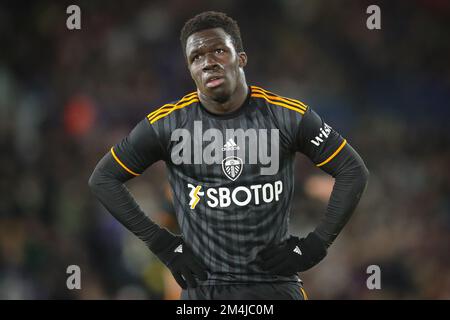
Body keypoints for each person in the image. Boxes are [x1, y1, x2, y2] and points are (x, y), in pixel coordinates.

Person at [88, 11, 369, 300]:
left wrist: (316, 244)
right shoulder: (168, 124)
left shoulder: (287, 115)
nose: (208, 62)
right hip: (205, 293)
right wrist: (163, 244)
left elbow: (352, 170)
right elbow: (104, 179)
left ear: (241, 58)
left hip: (275, 289)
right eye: (196, 57)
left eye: (219, 51)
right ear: (190, 69)